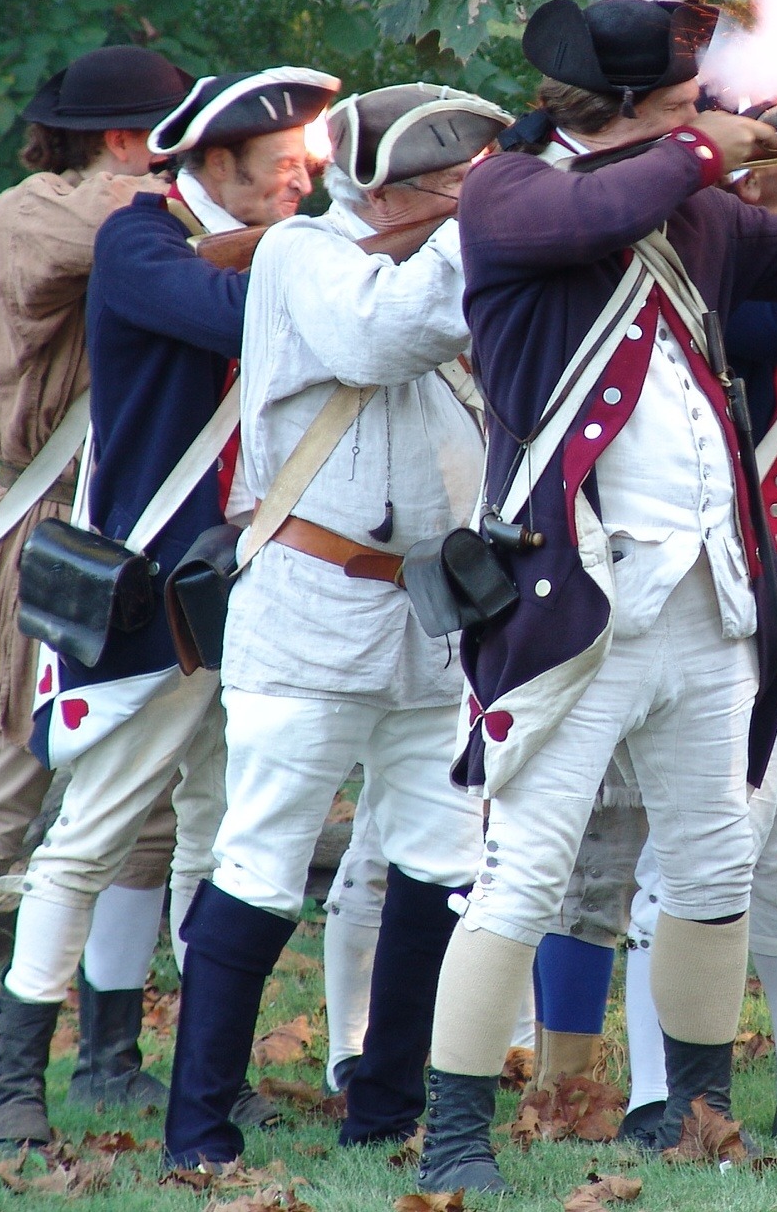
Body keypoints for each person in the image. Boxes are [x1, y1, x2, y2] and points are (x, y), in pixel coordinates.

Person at [413, 0, 777, 1195]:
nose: (711, 121)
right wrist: (695, 150)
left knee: (718, 865)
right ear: (622, 112)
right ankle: (457, 1137)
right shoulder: (511, 194)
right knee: (520, 871)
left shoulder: (693, 212)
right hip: (575, 601)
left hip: (709, 601)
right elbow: (600, 208)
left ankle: (697, 1109)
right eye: (683, 105)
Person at [0, 66, 338, 1147]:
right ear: (212, 164)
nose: (300, 183)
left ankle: (202, 1078)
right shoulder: (142, 243)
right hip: (158, 597)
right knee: (85, 838)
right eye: (282, 167)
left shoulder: (277, 242)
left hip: (262, 594)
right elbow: (245, 314)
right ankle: (11, 1088)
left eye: (308, 165)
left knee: (222, 834)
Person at [163, 82, 512, 1168]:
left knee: (438, 861)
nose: (480, 203)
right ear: (406, 190)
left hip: (434, 612)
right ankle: (199, 1127)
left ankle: (387, 1108)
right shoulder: (301, 256)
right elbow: (383, 334)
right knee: (262, 859)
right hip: (312, 605)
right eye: (466, 184)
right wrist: (486, 224)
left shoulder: (443, 255)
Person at [0, 47, 193, 1119]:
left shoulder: (144, 204)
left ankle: (110, 1055)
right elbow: (155, 239)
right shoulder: (34, 213)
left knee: (144, 811)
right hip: (50, 535)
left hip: (143, 529)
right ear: (124, 140)